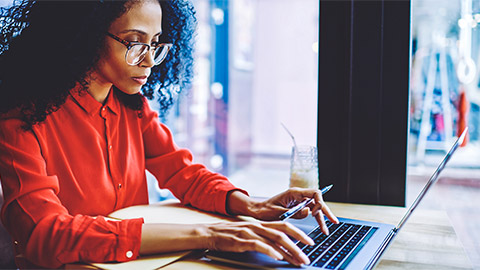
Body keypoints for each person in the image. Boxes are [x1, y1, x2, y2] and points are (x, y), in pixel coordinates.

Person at [0, 0, 338, 268]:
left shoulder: (132, 106)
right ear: (83, 34)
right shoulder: (21, 120)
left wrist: (250, 205)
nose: (149, 61)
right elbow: (45, 234)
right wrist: (209, 235)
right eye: (134, 43)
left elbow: (181, 172)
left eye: (155, 44)